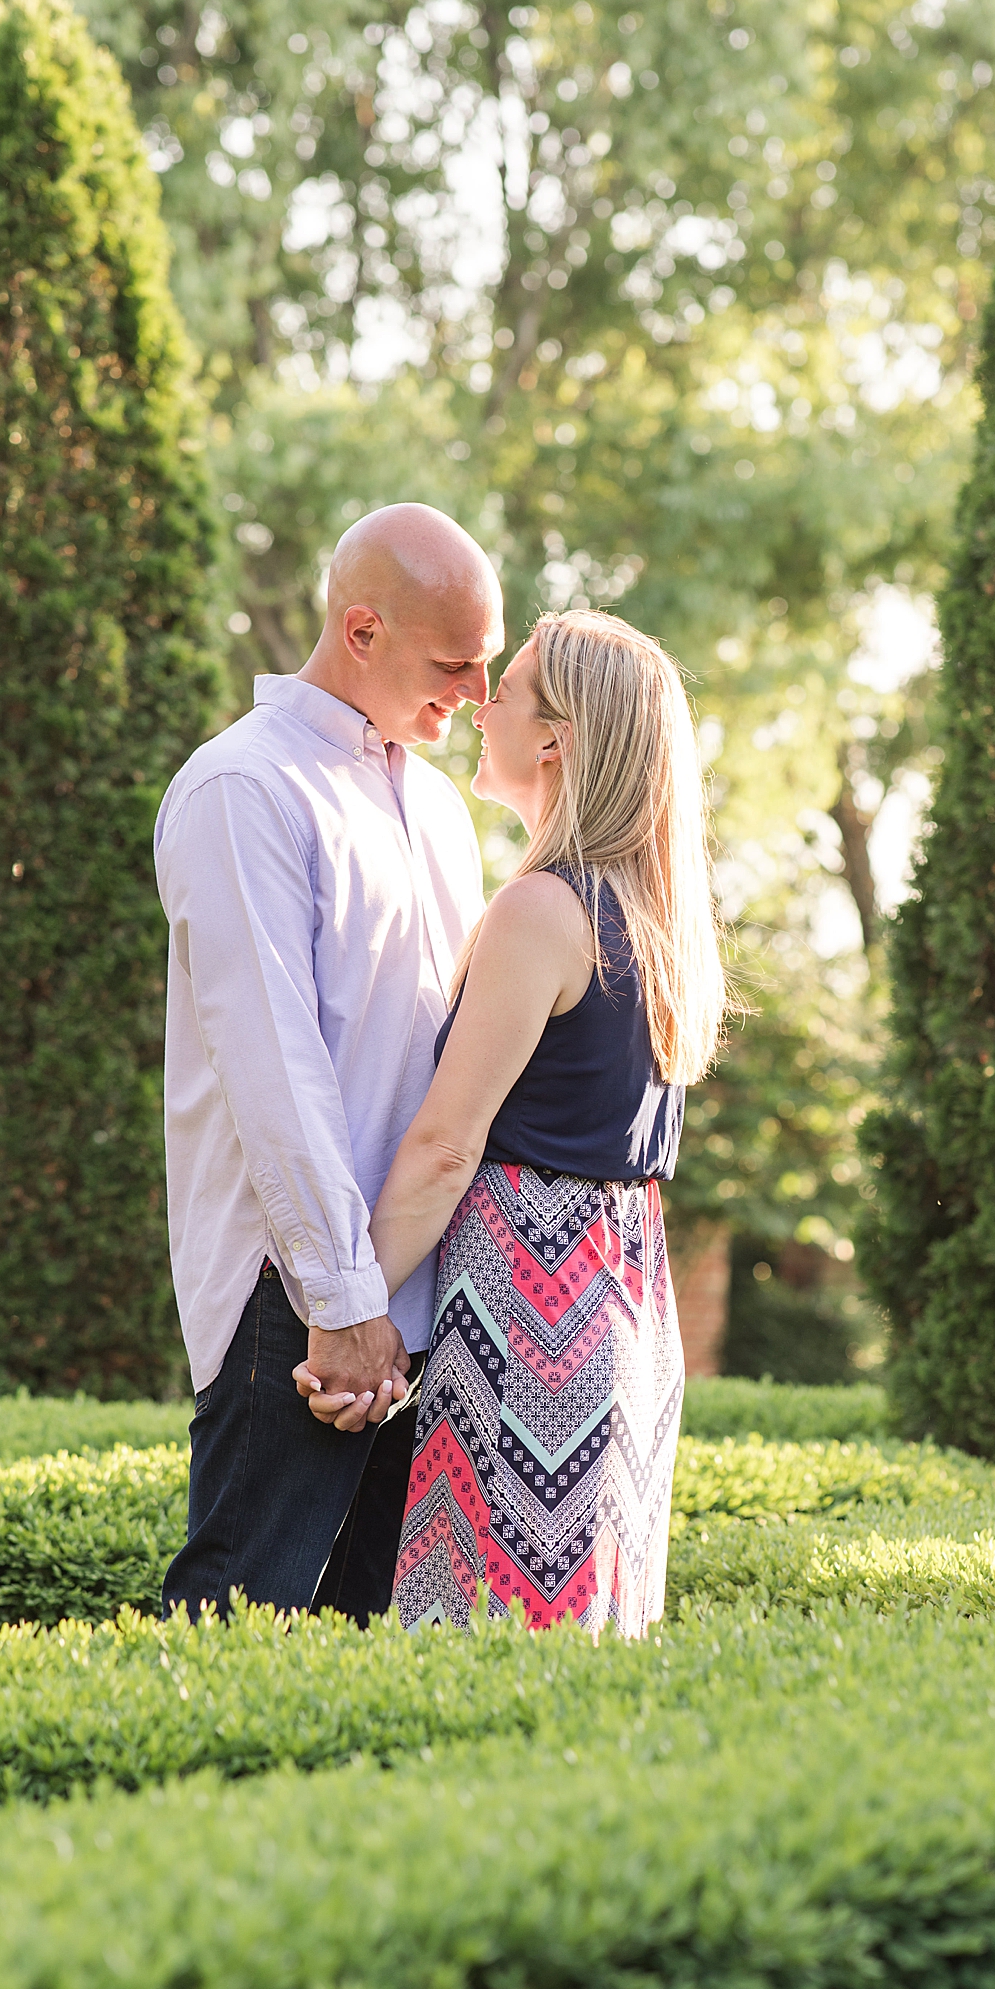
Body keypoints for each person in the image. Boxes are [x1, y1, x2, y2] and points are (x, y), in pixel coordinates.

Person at [295, 608, 727, 1638]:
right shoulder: (649, 914)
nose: (481, 705)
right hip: (619, 1300)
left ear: (555, 738)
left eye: (513, 689)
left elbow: (448, 1146)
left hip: (528, 1306)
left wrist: (347, 1306)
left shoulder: (543, 910)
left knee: (481, 1627)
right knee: (576, 1628)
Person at [155, 503, 502, 1620]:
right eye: (453, 663)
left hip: (428, 1288)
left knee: (377, 1633)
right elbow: (276, 1070)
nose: (477, 694)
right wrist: (344, 1301)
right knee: (242, 1613)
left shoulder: (442, 810)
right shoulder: (242, 788)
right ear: (362, 630)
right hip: (294, 1291)